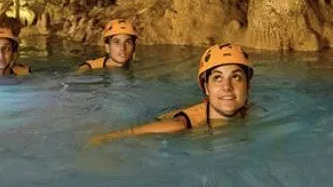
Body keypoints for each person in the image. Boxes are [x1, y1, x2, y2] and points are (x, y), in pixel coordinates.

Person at [88, 43, 253, 144]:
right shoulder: (179, 125)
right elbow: (126, 134)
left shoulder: (251, 111)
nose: (227, 87)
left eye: (236, 77)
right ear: (206, 88)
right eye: (217, 78)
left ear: (248, 86)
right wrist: (102, 139)